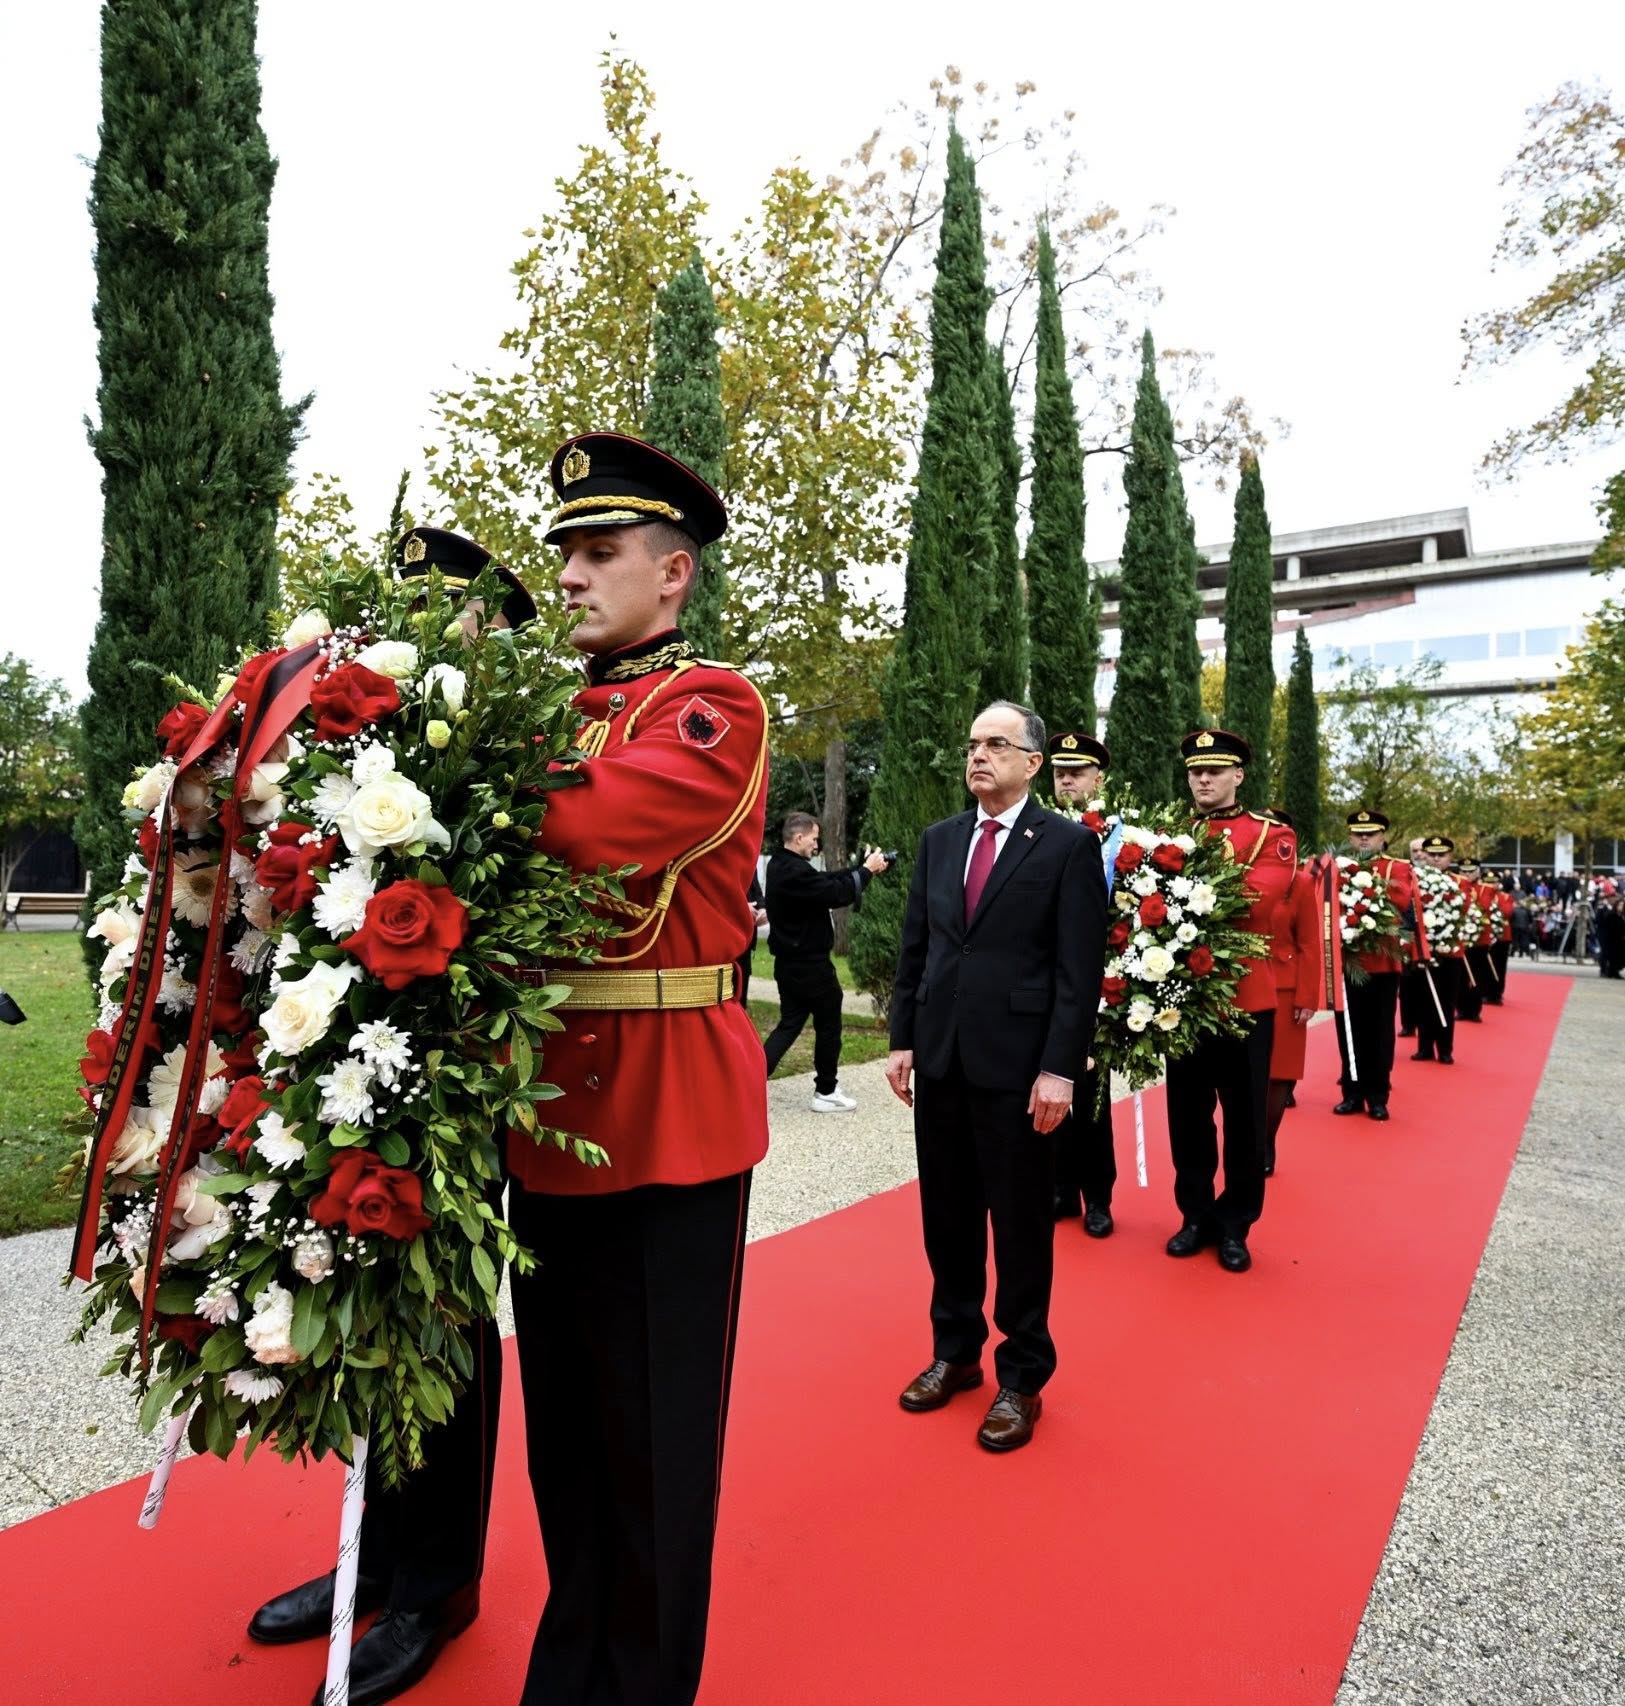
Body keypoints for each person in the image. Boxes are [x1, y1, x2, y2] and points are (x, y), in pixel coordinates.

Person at [245, 526, 535, 1706]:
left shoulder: (500, 754)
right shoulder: (354, 751)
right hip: (341, 1058)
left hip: (453, 1084)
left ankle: (434, 1581)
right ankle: (370, 1552)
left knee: (445, 1322)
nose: (417, 637)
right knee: (354, 1286)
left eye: (443, 614)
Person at [506, 432, 768, 1706]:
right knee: (564, 1430)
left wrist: (453, 760)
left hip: (669, 1108)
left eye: (598, 552)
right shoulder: (555, 711)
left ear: (672, 574)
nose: (568, 574)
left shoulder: (713, 702)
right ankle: (572, 1666)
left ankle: (645, 1684)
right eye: (563, 551)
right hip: (545, 1107)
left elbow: (599, 822)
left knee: (654, 1440)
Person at [885, 701, 1106, 1452]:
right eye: (972, 742)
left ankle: (1021, 1377)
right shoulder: (939, 841)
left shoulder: (1065, 847)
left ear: (1032, 763)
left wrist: (1057, 1070)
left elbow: (1079, 972)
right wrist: (901, 1039)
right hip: (941, 1059)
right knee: (945, 1221)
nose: (978, 755)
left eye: (996, 744)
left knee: (1017, 1226)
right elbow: (917, 949)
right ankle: (954, 1354)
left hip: (1018, 1070)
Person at [1165, 729, 1297, 1274]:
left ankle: (1236, 1223)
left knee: (1244, 1119)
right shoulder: (1169, 831)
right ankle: (1194, 1214)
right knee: (1187, 1115)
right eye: (1196, 771)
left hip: (1244, 999)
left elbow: (1258, 903)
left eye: (1214, 771)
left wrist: (1177, 890)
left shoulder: (1272, 833)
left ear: (1237, 775)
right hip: (1179, 1000)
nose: (1202, 779)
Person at [761, 812, 890, 1110]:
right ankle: (826, 1091)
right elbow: (836, 892)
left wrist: (862, 870)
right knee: (828, 1024)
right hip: (810, 966)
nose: (816, 845)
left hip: (790, 964)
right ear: (799, 838)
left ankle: (749, 1083)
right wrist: (865, 874)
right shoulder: (793, 872)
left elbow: (826, 880)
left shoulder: (784, 866)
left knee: (790, 1024)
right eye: (814, 839)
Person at [1046, 731, 1117, 1235]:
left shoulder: (1125, 840)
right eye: (1059, 771)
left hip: (1094, 988)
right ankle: (1058, 1187)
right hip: (1036, 987)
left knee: (1091, 1095)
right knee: (1040, 1091)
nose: (1067, 779)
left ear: (1099, 778)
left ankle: (1099, 1196)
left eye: (1077, 771)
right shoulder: (1033, 830)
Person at [1332, 809, 1415, 1123]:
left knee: (1380, 1032)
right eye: (1357, 833)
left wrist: (1364, 900)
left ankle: (1378, 1096)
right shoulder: (1339, 867)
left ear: (1383, 837)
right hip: (1350, 962)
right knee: (1350, 1031)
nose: (1363, 838)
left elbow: (1400, 904)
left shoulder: (1397, 867)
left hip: (1382, 963)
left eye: (1370, 833)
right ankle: (1352, 1093)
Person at [1263, 811, 1321, 1175]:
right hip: (1243, 981)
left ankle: (1266, 1142)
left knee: (1279, 1073)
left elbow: (1310, 942)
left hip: (1285, 986)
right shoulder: (1239, 873)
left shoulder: (1299, 883)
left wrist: (1307, 997)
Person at [1412, 835, 1461, 1065]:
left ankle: (1445, 1048)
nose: (1436, 859)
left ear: (1450, 858)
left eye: (1441, 855)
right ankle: (1424, 1046)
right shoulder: (1415, 880)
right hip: (1422, 951)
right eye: (1432, 855)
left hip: (1449, 951)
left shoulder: (1458, 883)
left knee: (1446, 1000)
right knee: (1422, 999)